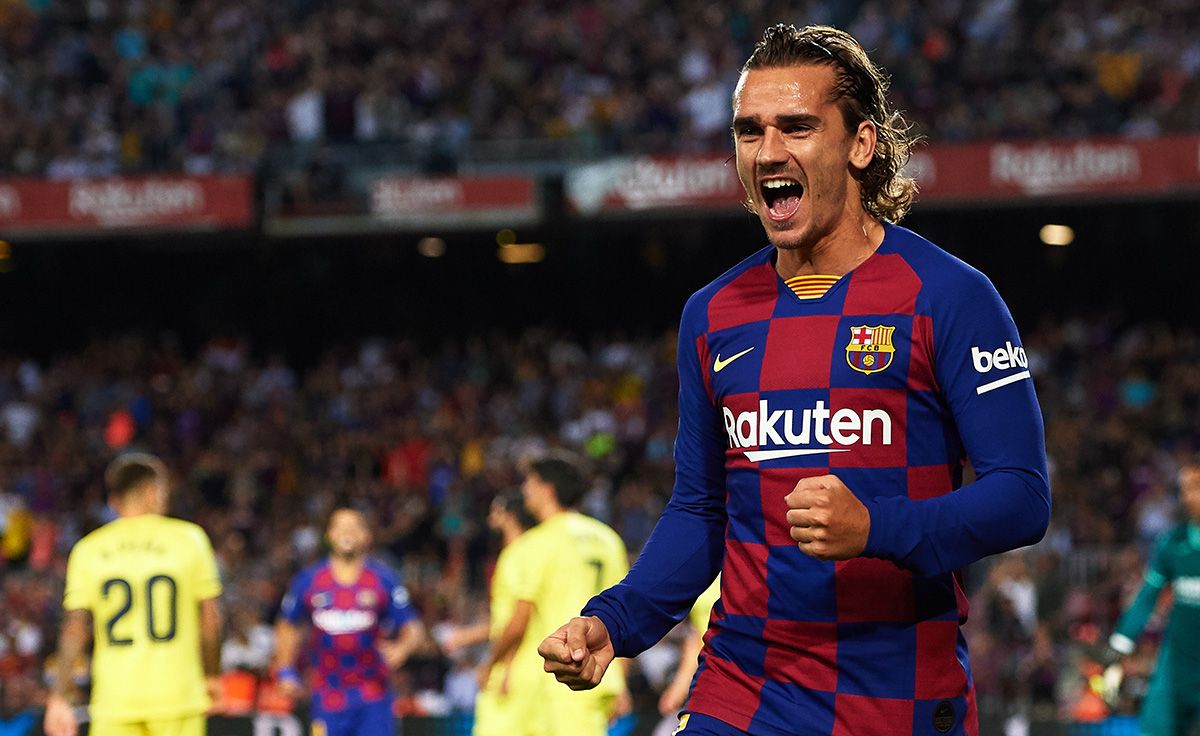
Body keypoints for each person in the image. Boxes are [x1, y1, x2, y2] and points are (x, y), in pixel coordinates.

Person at [539, 23, 1050, 736]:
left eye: (797, 127)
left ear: (861, 145)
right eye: (749, 131)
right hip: (743, 691)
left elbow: (1022, 497)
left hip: (896, 698)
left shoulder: (949, 296)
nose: (768, 151)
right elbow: (701, 511)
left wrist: (877, 527)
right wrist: (614, 622)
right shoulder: (712, 314)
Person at [43, 453, 224, 736]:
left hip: (115, 700)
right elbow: (210, 621)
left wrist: (59, 696)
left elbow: (75, 628)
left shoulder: (89, 549)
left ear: (114, 500)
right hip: (177, 697)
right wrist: (211, 674)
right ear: (152, 491)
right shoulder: (189, 539)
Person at [274, 507, 423, 736]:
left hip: (373, 695)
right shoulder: (309, 580)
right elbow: (287, 625)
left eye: (354, 527)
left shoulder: (383, 579)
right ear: (329, 535)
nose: (347, 532)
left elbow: (412, 627)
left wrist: (402, 648)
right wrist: (285, 670)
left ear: (367, 536)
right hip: (327, 696)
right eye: (340, 527)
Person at [515, 452, 632, 736]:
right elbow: (626, 612)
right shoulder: (608, 538)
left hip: (558, 675)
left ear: (547, 489)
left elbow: (520, 617)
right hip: (603, 670)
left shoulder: (536, 542)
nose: (524, 490)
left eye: (530, 482)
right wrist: (621, 681)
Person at [1105, 462, 1200, 735]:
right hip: (1176, 666)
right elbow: (1147, 597)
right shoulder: (1172, 544)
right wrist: (1120, 647)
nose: (1189, 496)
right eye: (1185, 489)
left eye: (1196, 487)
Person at [442, 487, 540, 736]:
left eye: (496, 511)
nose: (490, 517)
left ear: (509, 515)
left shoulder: (517, 555)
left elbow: (520, 620)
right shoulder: (533, 552)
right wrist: (468, 636)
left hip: (514, 672)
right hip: (532, 672)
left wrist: (498, 665)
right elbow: (506, 620)